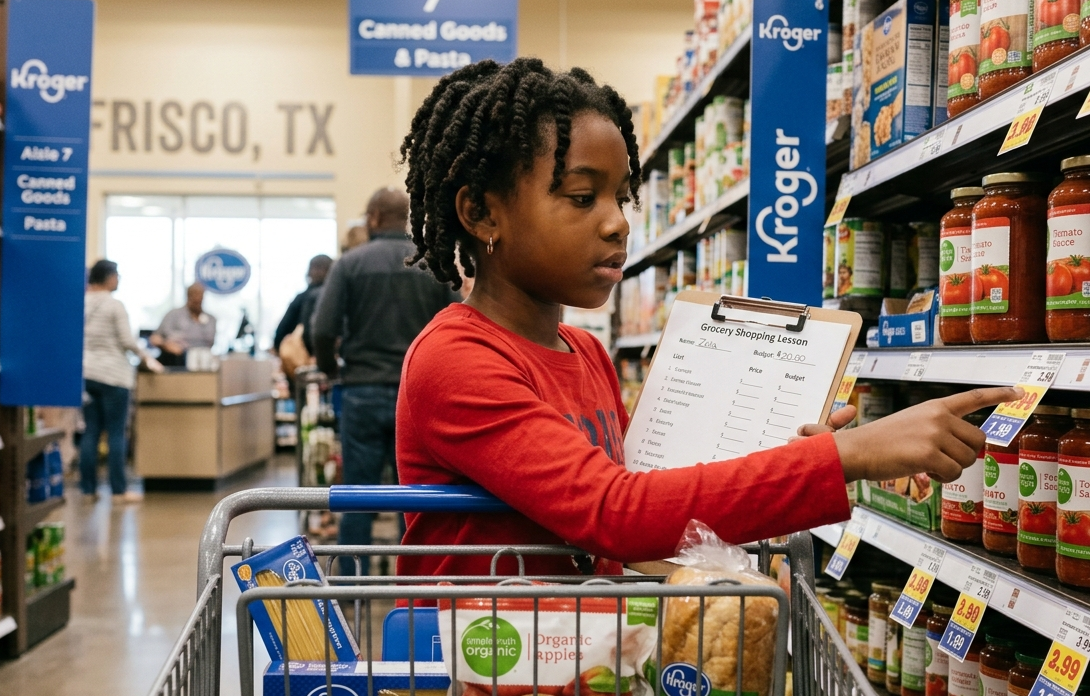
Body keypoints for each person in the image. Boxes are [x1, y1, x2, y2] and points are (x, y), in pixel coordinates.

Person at [393, 58, 1021, 577]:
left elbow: (652, 511)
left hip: (580, 664)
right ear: (481, 213)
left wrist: (794, 450)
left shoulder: (584, 355)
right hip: (483, 667)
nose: (617, 222)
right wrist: (848, 458)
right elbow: (616, 512)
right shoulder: (456, 359)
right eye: (583, 197)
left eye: (621, 196)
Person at [311, 187, 460, 574]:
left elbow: (323, 329)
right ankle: (413, 586)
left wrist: (331, 370)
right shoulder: (431, 264)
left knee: (358, 494)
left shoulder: (350, 264)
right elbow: (460, 325)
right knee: (416, 499)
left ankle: (351, 588)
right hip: (418, 397)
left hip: (361, 390)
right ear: (405, 217)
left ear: (374, 217)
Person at [81, 260, 162, 503]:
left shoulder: (80, 303)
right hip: (114, 375)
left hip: (86, 374)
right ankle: (118, 491)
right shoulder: (114, 305)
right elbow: (127, 340)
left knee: (90, 432)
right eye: (116, 275)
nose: (118, 280)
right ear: (108, 277)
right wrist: (147, 358)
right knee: (116, 433)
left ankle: (88, 490)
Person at [272, 254, 332, 355]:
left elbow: (282, 330)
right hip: (327, 357)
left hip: (303, 358)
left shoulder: (301, 298)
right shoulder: (335, 297)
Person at [150, 283, 216, 366]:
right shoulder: (173, 315)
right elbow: (154, 338)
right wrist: (165, 345)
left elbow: (211, 343)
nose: (197, 299)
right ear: (188, 296)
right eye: (194, 295)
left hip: (202, 360)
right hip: (175, 359)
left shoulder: (210, 319)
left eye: (200, 296)